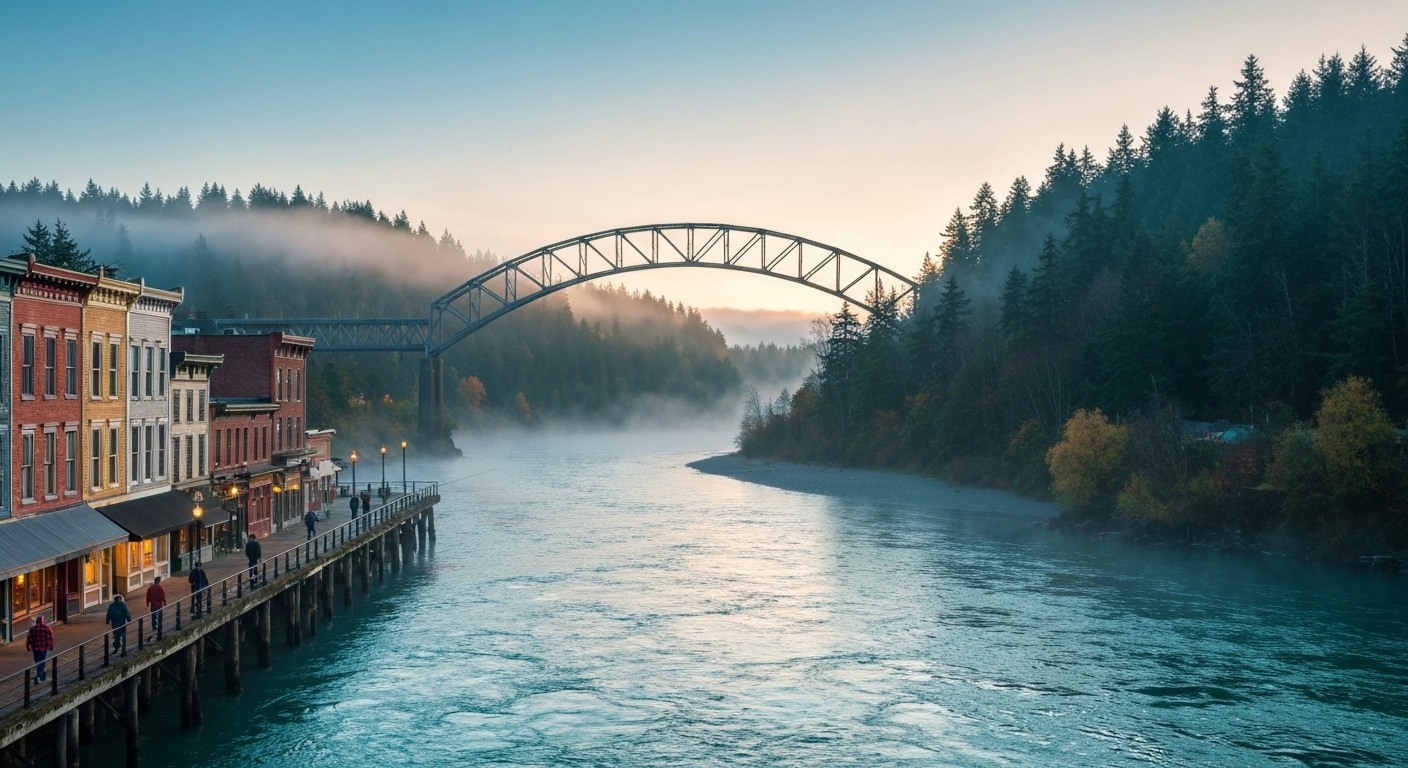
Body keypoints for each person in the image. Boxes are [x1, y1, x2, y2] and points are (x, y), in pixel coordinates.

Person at [26, 616, 54, 684]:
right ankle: (40, 674)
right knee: (42, 661)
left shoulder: (32, 629)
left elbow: (29, 639)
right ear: (43, 621)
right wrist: (51, 646)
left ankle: (39, 674)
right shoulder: (47, 628)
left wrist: (28, 646)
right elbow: (51, 638)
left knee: (37, 661)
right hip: (44, 648)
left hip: (35, 648)